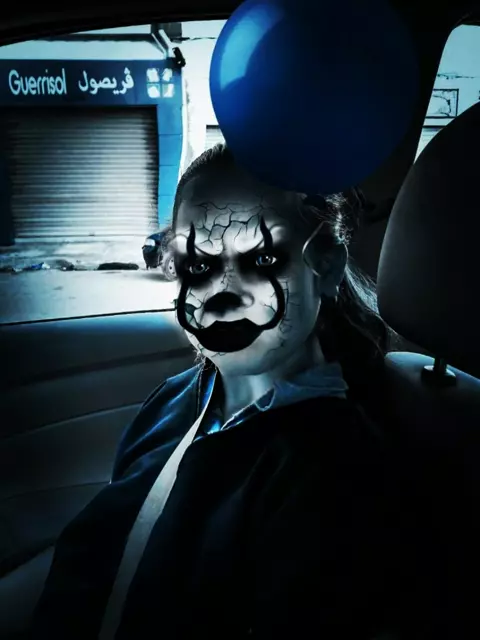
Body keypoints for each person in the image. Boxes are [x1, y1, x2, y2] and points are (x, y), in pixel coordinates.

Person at [30, 144, 430, 639]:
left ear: (325, 267)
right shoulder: (174, 400)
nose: (223, 296)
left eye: (262, 258)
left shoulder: (338, 474)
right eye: (199, 265)